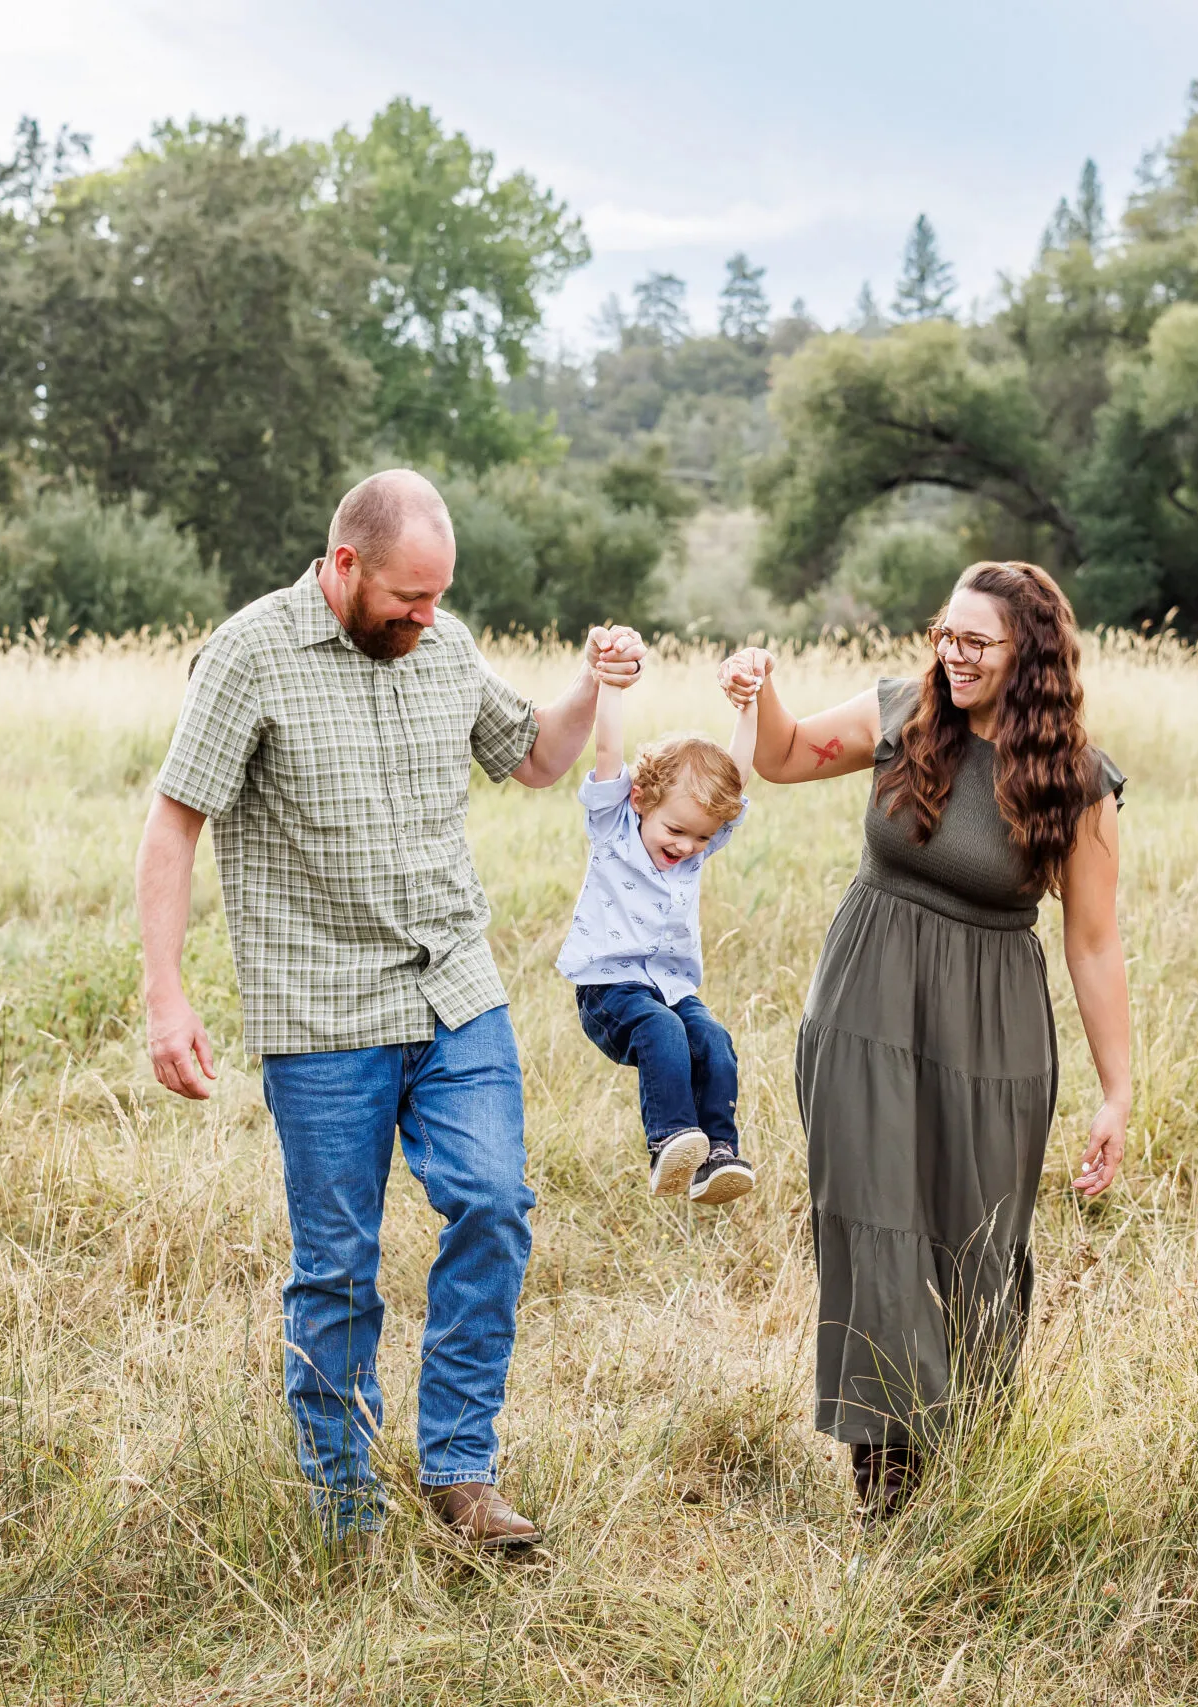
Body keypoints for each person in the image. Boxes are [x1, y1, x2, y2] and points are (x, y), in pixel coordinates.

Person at [135, 468, 645, 1548]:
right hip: (322, 1013)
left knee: (496, 1206)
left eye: (437, 597)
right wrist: (166, 995)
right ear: (345, 564)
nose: (426, 616)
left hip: (454, 988)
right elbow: (173, 822)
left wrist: (595, 683)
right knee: (338, 1265)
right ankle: (346, 1506)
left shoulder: (445, 647)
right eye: (408, 598)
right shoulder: (249, 654)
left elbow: (541, 758)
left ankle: (461, 1472)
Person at [720, 561, 1130, 1519]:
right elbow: (780, 755)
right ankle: (887, 1484)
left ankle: (978, 1465)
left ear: (1029, 654)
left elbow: (1095, 942)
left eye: (975, 641)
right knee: (873, 1229)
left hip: (993, 1026)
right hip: (866, 1003)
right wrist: (761, 690)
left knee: (981, 1246)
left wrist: (1117, 1093)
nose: (952, 653)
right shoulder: (902, 712)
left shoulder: (1075, 781)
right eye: (946, 633)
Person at [557, 673, 760, 1204]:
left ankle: (716, 1153)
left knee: (714, 1042)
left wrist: (749, 706)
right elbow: (608, 746)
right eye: (677, 831)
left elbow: (736, 777)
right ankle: (670, 1140)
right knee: (662, 1031)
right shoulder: (613, 826)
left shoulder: (696, 845)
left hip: (670, 986)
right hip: (609, 987)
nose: (689, 846)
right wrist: (611, 683)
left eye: (702, 837)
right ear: (640, 798)